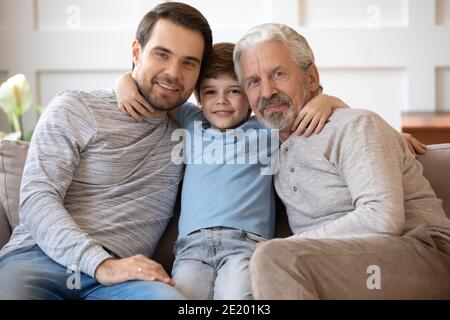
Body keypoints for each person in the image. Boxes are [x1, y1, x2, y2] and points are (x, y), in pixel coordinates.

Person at [0, 2, 213, 300]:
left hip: (122, 280)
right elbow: (36, 199)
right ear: (136, 52)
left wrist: (305, 103)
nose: (173, 72)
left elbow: (259, 120)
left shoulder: (193, 129)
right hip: (38, 260)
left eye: (189, 62)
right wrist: (100, 264)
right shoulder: (76, 108)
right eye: (161, 54)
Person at [233, 23, 450, 299]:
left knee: (273, 258)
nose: (266, 92)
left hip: (421, 253)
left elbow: (382, 217)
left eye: (278, 74)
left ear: (311, 78)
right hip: (331, 263)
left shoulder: (356, 126)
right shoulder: (262, 140)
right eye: (253, 81)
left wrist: (287, 246)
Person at [115, 42, 348, 299]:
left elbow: (326, 112)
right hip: (191, 248)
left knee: (237, 300)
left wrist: (326, 101)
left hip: (245, 245)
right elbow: (151, 91)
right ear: (198, 97)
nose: (221, 101)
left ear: (250, 95)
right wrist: (123, 81)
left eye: (234, 91)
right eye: (211, 91)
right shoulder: (191, 121)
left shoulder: (266, 127)